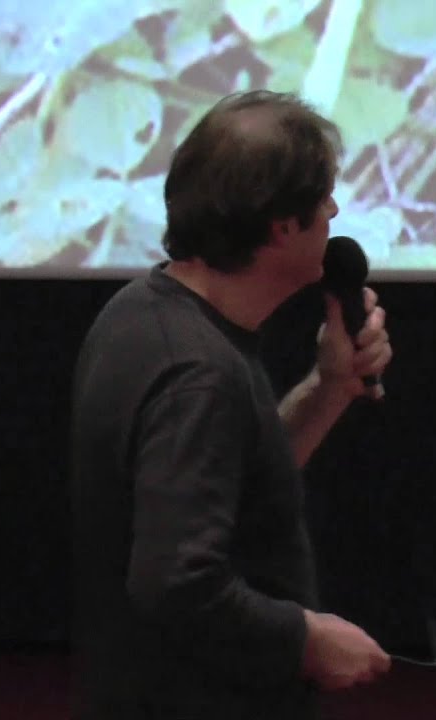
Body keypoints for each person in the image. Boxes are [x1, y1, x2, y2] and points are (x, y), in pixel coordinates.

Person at [69, 90, 394, 719]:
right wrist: (306, 640)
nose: (335, 209)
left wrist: (331, 389)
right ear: (282, 226)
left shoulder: (143, 312)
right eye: (322, 199)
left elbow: (223, 480)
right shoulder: (198, 374)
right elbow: (176, 582)